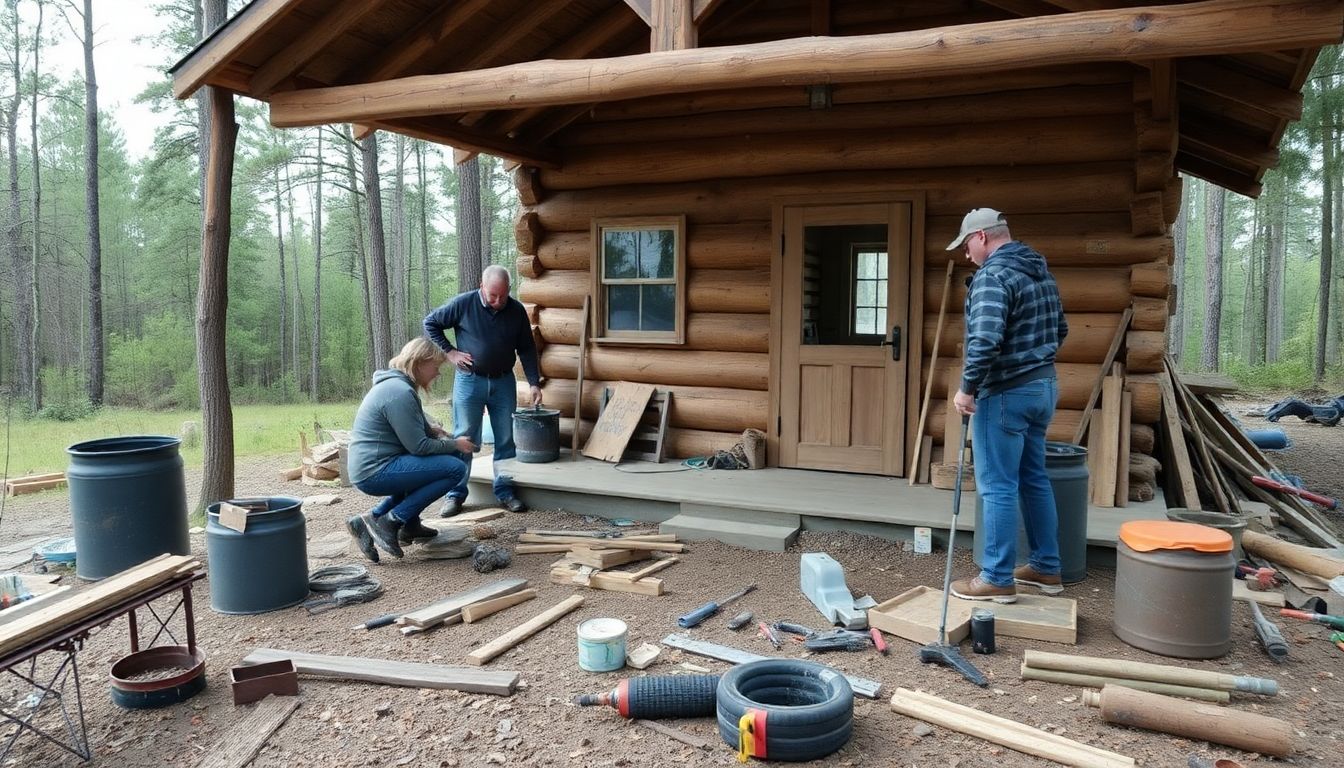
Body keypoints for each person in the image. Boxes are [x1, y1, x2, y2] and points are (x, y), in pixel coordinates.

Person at [945, 208, 1068, 604]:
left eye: (966, 245)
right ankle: (1046, 568)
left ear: (981, 237)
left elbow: (984, 339)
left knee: (997, 485)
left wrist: (967, 389)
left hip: (1006, 395)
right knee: (1033, 478)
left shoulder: (993, 276)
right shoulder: (1039, 272)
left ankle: (997, 577)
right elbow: (1060, 329)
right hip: (1043, 387)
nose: (966, 255)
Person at [424, 264, 542, 516]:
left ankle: (506, 491)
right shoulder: (463, 304)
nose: (498, 301)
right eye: (492, 295)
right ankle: (455, 494)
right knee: (464, 437)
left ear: (509, 289)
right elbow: (431, 323)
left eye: (503, 295)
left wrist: (534, 382)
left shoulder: (517, 311)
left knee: (506, 438)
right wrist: (450, 352)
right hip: (469, 381)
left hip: (503, 382)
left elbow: (527, 350)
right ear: (482, 286)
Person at [344, 338, 476, 561]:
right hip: (374, 471)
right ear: (420, 363)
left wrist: (434, 431)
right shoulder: (399, 393)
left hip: (378, 464)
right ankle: (391, 520)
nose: (438, 373)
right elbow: (419, 447)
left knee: (451, 456)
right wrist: (455, 443)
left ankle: (403, 524)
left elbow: (414, 431)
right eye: (436, 367)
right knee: (454, 468)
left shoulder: (398, 386)